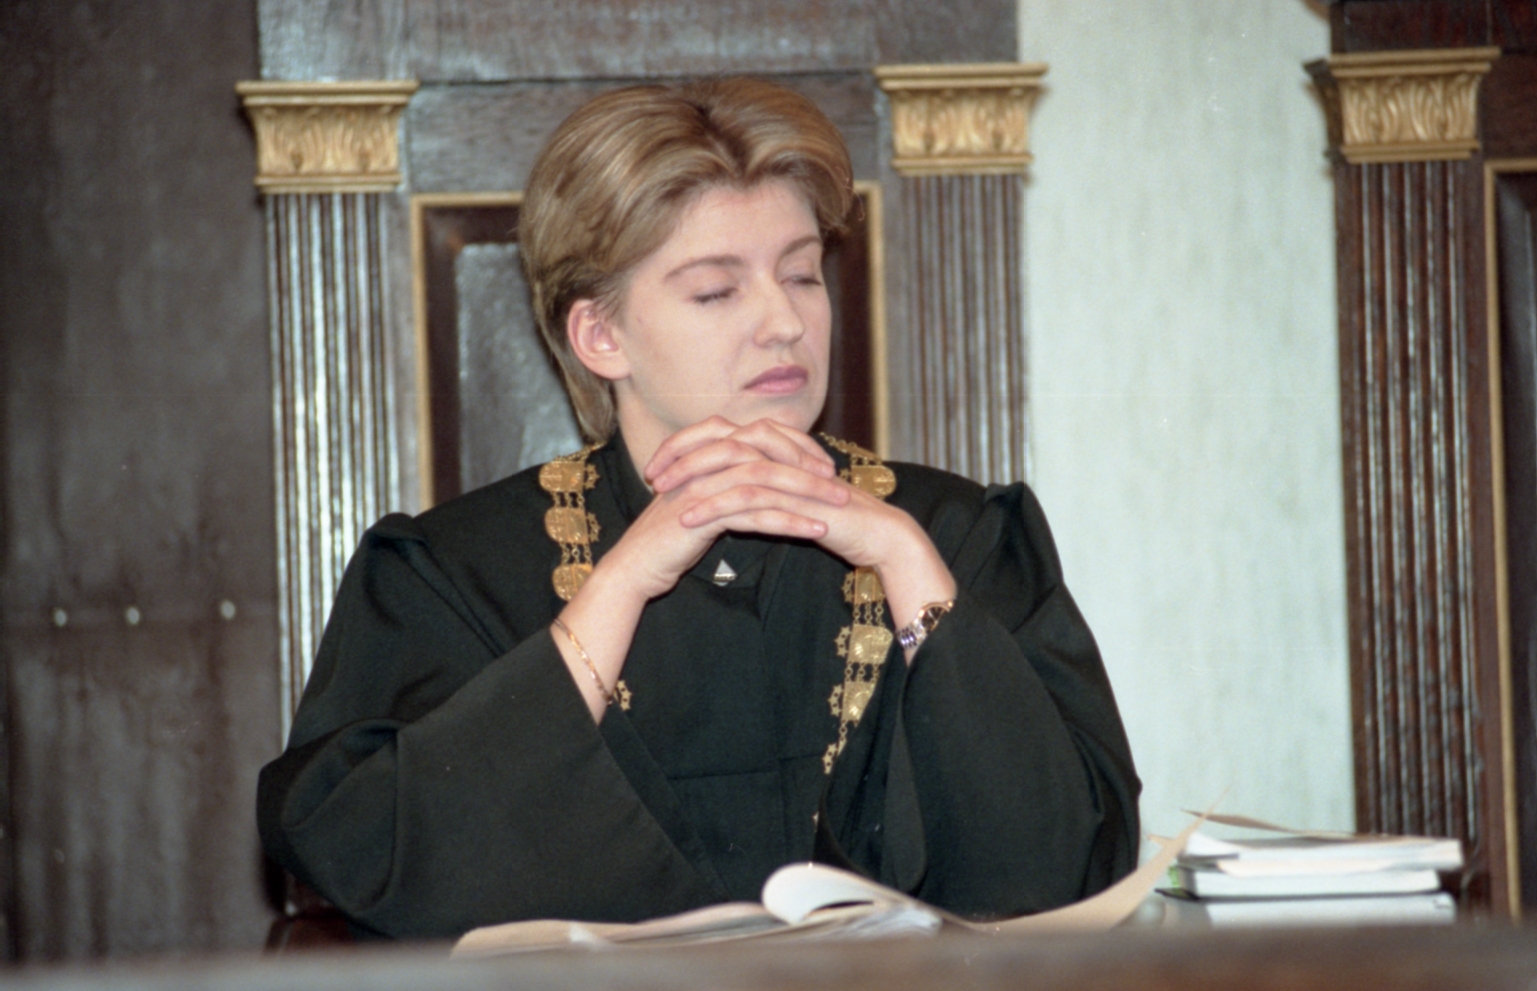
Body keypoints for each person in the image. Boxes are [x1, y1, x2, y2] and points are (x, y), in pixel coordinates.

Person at [257, 78, 1140, 941]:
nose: (784, 322)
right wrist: (620, 584)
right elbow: (360, 849)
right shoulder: (454, 571)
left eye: (802, 275)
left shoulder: (955, 533)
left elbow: (1073, 863)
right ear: (601, 335)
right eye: (717, 290)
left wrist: (907, 563)